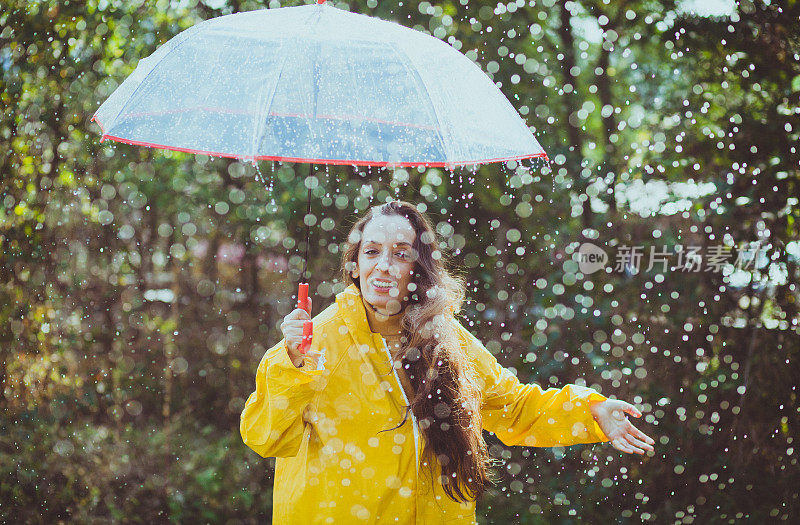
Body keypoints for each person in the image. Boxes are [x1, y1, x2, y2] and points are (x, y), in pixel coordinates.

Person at [240, 200, 655, 524]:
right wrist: (293, 364)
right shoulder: (313, 344)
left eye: (400, 254)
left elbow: (513, 407)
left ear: (417, 269)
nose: (383, 266)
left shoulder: (443, 338)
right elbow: (264, 435)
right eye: (372, 252)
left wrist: (592, 412)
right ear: (356, 263)